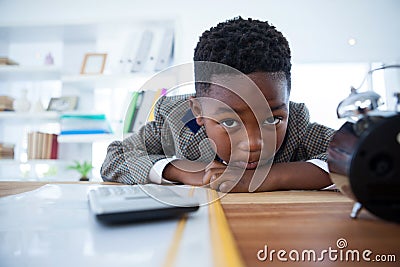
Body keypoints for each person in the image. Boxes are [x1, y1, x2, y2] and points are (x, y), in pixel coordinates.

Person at [101, 17, 335, 192]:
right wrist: (183, 171)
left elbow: (355, 154)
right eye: (230, 121)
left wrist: (271, 177)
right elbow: (116, 157)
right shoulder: (180, 122)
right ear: (198, 111)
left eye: (272, 119)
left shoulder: (297, 125)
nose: (254, 143)